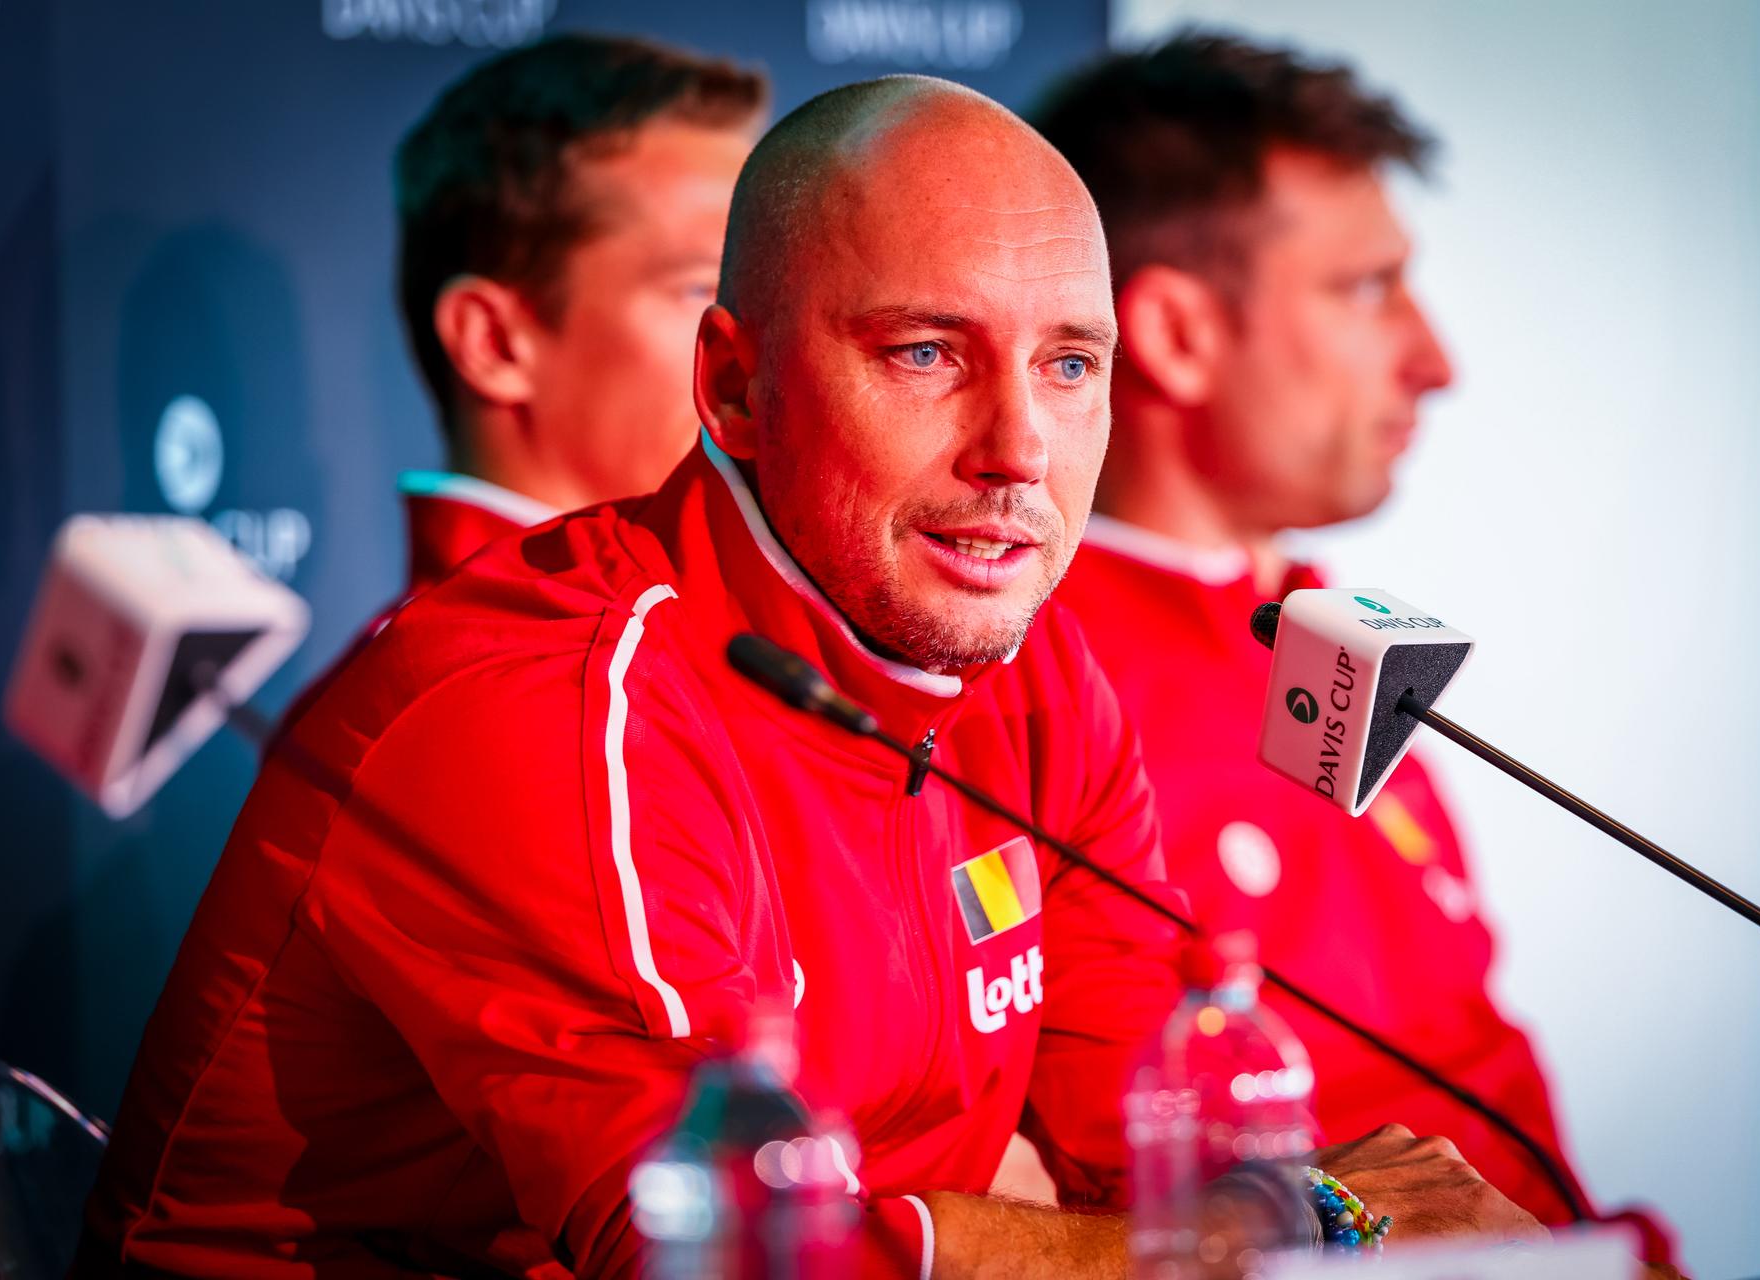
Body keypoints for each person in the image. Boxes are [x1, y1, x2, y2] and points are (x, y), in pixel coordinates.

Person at [80, 75, 1542, 1278]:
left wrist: (1290, 1224)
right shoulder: (546, 703)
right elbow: (736, 1253)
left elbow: (1165, 1156)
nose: (1019, 453)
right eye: (925, 354)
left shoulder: (1036, 673)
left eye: (1069, 366)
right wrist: (1282, 1228)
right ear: (734, 385)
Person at [1034, 33, 1635, 1239]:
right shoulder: (1031, 684)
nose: (1435, 361)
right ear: (1178, 335)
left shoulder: (1329, 624)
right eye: (1367, 288)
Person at [387, 33, 762, 619]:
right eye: (703, 290)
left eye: (769, 292)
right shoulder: (448, 670)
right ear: (493, 343)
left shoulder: (687, 636)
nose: (761, 344)